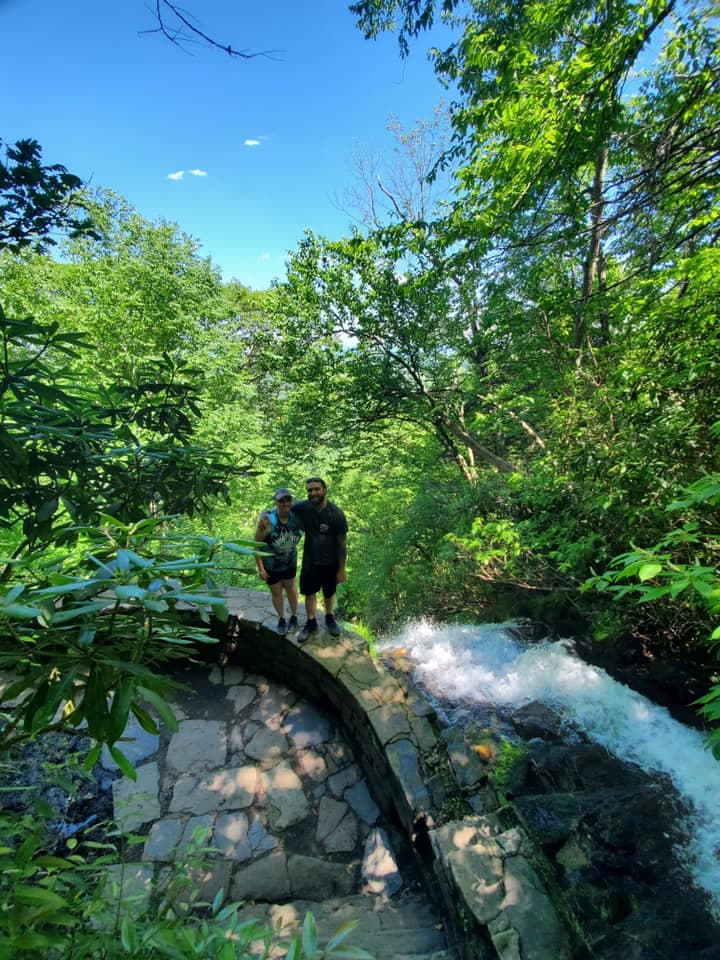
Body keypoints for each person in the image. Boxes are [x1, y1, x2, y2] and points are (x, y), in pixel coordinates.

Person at [291, 476, 348, 642]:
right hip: (310, 561)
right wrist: (266, 516)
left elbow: (342, 545)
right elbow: (284, 508)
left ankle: (330, 618)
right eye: (310, 490)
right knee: (309, 593)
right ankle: (311, 622)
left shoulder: (336, 514)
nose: (313, 492)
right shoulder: (303, 507)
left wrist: (341, 569)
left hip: (330, 562)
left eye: (317, 489)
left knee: (329, 593)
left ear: (324, 491)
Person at [254, 487, 303, 635]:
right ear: (276, 502)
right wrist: (261, 569)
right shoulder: (268, 521)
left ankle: (293, 617)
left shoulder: (297, 517)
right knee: (276, 592)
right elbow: (256, 546)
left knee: (291, 588)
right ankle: (282, 618)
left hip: (289, 562)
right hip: (271, 565)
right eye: (281, 500)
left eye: (288, 500)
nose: (285, 503)